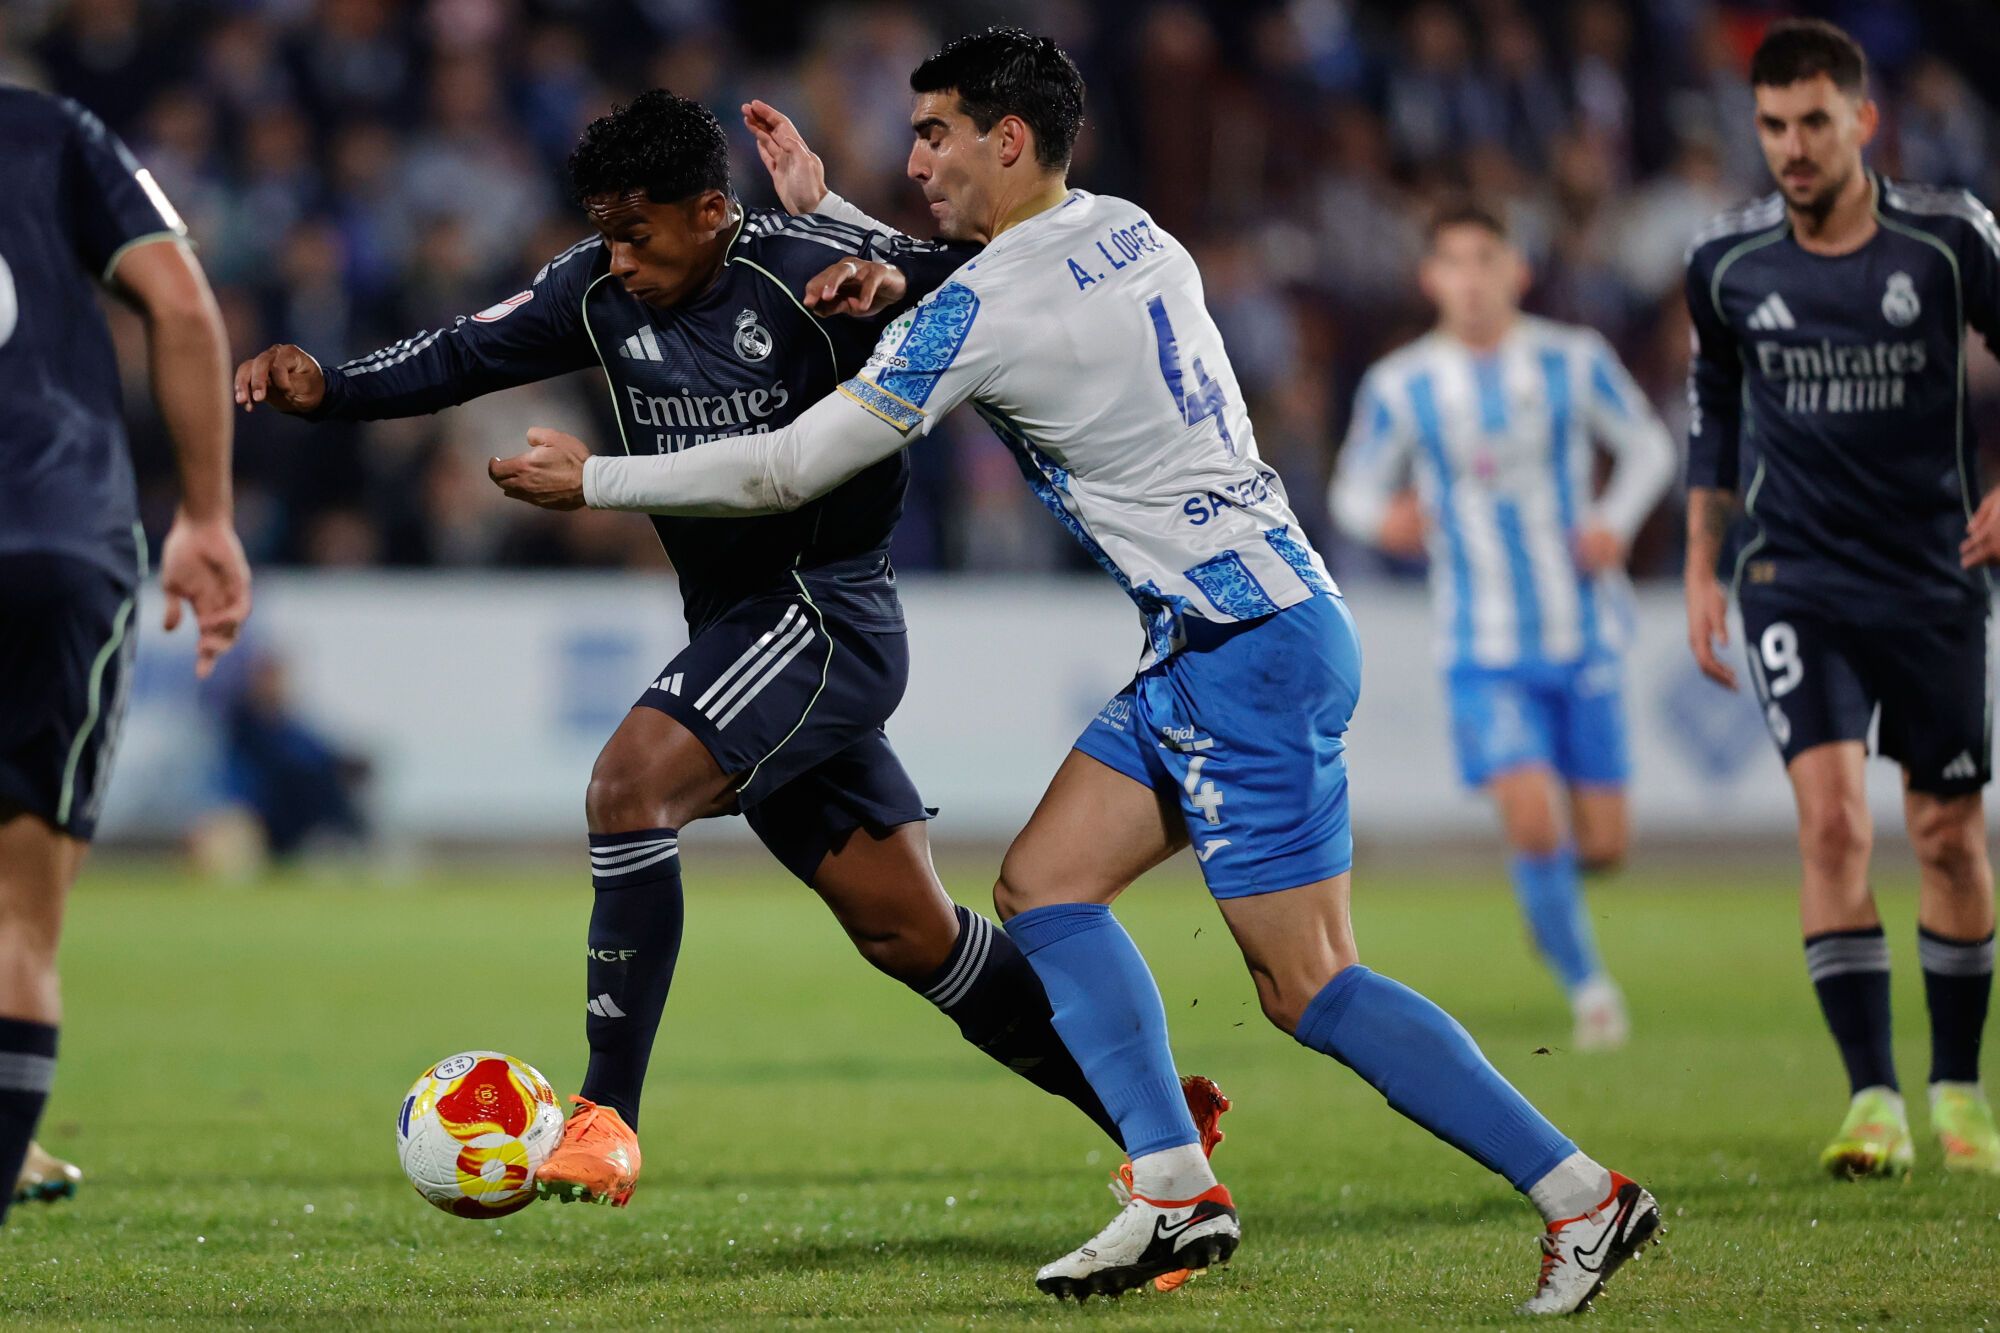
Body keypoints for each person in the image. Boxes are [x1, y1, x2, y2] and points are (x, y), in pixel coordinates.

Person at [491, 28, 1660, 1314]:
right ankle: (1170, 1185)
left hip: (1241, 653)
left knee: (1308, 982)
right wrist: (831, 219)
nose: (914, 153)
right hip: (1251, 622)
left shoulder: (982, 309)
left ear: (1006, 138)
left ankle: (1580, 1197)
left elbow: (783, 466)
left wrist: (593, 477)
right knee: (1043, 886)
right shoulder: (1126, 227)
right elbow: (974, 274)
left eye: (934, 133)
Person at [235, 89, 1226, 1210]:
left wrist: (894, 273)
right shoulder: (598, 289)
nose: (619, 258)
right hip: (738, 631)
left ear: (712, 210)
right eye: (604, 232)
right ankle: (1158, 1126)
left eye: (640, 232)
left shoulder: (806, 269)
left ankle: (606, 1116)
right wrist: (331, 389)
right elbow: (466, 352)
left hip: (825, 611)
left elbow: (991, 274)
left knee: (626, 787)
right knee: (912, 933)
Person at [1683, 19, 1999, 1178]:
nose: (1791, 146)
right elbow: (1712, 409)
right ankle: (1872, 1098)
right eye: (1771, 125)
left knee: (1946, 838)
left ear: (1863, 121)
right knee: (1829, 823)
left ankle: (1957, 1088)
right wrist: (1696, 562)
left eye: (1813, 121)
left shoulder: (1948, 241)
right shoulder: (1725, 263)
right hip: (1789, 579)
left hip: (1931, 580)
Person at [1331, 205, 1674, 1051]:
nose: (1472, 279)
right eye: (1454, 262)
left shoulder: (1574, 358)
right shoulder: (1403, 382)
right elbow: (1351, 490)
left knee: (1603, 843)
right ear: (1431, 279)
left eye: (1486, 260)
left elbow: (1649, 447)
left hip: (1584, 632)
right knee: (1530, 816)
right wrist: (1387, 523)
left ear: (1517, 271)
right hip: (1481, 647)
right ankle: (1592, 991)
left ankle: (1546, 896)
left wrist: (1615, 522)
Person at [0, 87, 250, 1222]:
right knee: (21, 910)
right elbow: (184, 307)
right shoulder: (52, 132)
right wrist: (205, 515)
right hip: (55, 538)